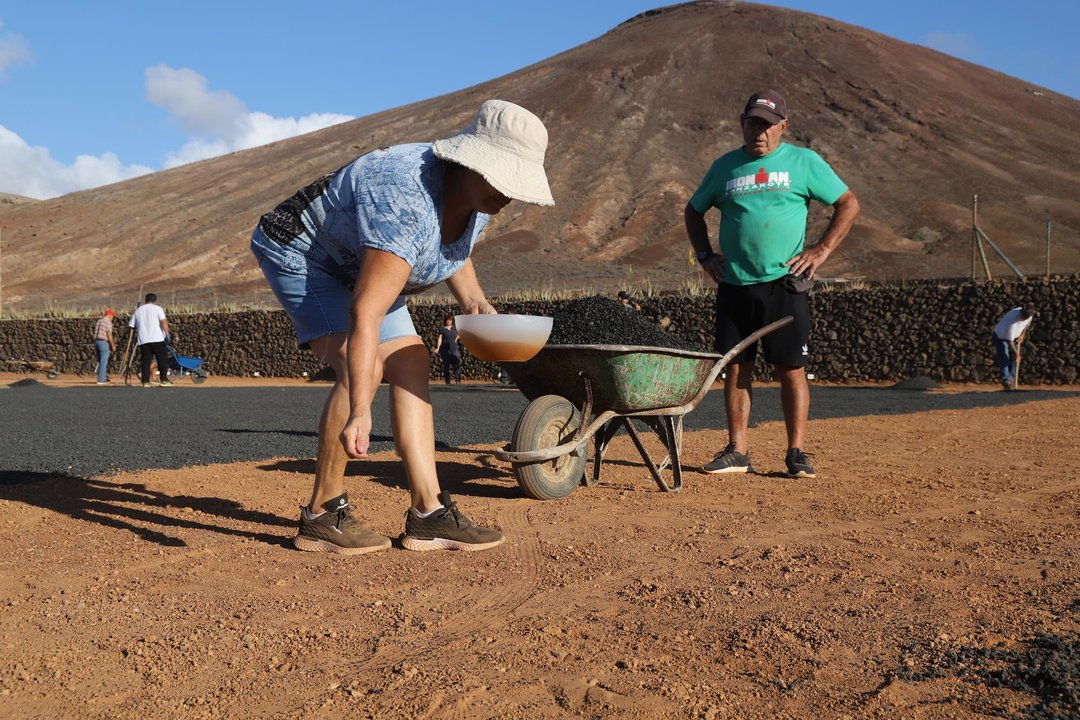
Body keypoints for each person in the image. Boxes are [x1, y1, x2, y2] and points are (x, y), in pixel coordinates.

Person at [250, 99, 554, 555]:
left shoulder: (480, 197)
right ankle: (322, 514)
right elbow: (365, 313)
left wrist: (475, 301)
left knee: (412, 358)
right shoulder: (403, 195)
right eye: (502, 175)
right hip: (304, 254)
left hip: (361, 260)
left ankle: (429, 514)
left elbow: (452, 245)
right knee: (365, 366)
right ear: (468, 161)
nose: (508, 192)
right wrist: (359, 410)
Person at [684, 88, 860, 479]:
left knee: (791, 368)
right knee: (736, 369)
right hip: (735, 283)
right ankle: (738, 451)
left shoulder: (804, 161)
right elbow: (693, 211)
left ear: (784, 127)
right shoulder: (725, 167)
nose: (759, 132)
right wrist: (705, 256)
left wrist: (821, 250)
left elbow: (848, 203)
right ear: (742, 123)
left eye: (767, 125)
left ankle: (796, 452)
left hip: (785, 283)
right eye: (752, 123)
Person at [128, 293, 172, 387]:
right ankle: (164, 380)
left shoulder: (138, 310)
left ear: (145, 300)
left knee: (146, 361)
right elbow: (164, 321)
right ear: (155, 300)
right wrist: (167, 334)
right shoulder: (157, 309)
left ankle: (145, 381)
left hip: (143, 340)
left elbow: (131, 325)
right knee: (162, 360)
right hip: (157, 338)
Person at [992, 307, 1033, 391]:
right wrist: (1017, 354)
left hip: (1015, 337)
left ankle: (1012, 380)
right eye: (1023, 317)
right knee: (1005, 357)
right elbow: (1010, 341)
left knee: (1015, 359)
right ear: (1021, 313)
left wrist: (1022, 335)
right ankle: (1007, 381)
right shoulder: (1012, 320)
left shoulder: (1029, 315)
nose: (1024, 319)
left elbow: (1026, 325)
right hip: (1000, 336)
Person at [433, 315, 462, 384]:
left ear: (452, 321)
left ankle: (458, 380)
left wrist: (457, 337)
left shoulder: (455, 328)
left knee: (456, 365)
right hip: (445, 350)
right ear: (445, 320)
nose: (448, 321)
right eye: (447, 320)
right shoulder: (442, 329)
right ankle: (447, 381)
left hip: (454, 349)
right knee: (446, 366)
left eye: (450, 320)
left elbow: (460, 334)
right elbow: (440, 338)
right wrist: (438, 347)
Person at [93, 309, 117, 384]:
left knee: (100, 361)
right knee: (104, 361)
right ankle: (101, 379)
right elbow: (109, 334)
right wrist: (113, 345)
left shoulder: (99, 321)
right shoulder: (108, 322)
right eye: (112, 316)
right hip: (103, 342)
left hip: (96, 341)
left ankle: (103, 377)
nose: (113, 318)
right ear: (110, 315)